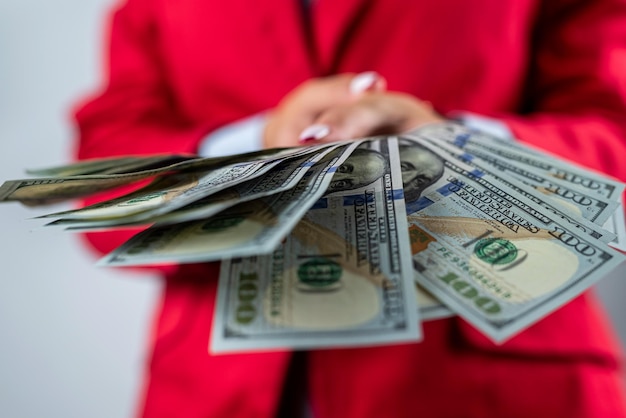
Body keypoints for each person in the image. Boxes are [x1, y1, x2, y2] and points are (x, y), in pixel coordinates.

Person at [73, 0, 626, 417]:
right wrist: (248, 153)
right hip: (219, 387)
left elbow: (612, 128)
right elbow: (100, 177)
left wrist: (455, 147)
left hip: (493, 384)